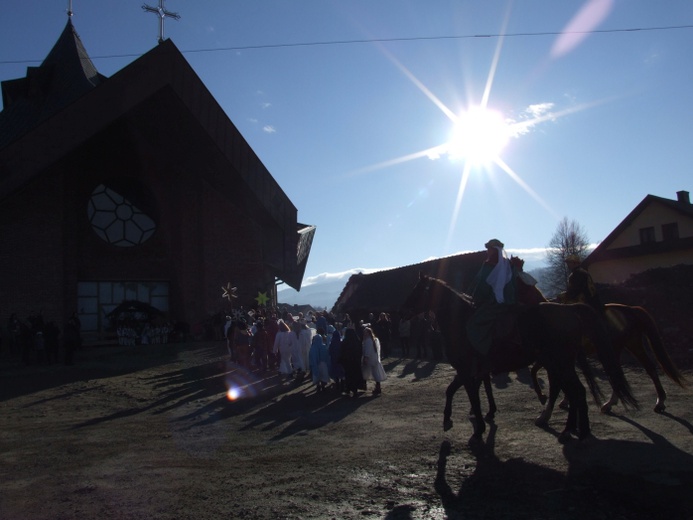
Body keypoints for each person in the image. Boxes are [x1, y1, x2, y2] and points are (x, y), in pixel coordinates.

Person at [466, 238, 517, 356]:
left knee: (473, 324)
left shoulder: (489, 265)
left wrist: (475, 298)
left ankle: (483, 352)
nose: (487, 251)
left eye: (488, 249)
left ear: (493, 250)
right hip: (511, 301)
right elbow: (514, 283)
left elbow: (482, 286)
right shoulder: (509, 265)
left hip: (493, 303)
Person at [361, 327, 387, 396]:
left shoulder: (368, 341)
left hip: (370, 359)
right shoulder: (375, 339)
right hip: (374, 359)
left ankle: (367, 386)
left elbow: (367, 350)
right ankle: (376, 386)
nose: (364, 334)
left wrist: (366, 358)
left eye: (366, 333)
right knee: (374, 372)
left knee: (367, 372)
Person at [340, 327, 363, 397]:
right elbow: (360, 351)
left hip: (348, 362)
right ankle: (355, 390)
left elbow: (342, 352)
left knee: (349, 376)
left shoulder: (345, 342)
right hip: (356, 362)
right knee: (356, 375)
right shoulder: (357, 341)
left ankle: (348, 389)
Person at [309, 328, 331, 392]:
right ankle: (323, 386)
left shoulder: (313, 347)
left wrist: (311, 364)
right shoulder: (323, 346)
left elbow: (311, 357)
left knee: (317, 375)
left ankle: (318, 386)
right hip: (323, 363)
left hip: (316, 363)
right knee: (324, 375)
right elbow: (326, 355)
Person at [327, 326, 346, 393]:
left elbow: (329, 351)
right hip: (340, 360)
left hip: (334, 360)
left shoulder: (332, 343)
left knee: (336, 373)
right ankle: (343, 386)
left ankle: (337, 385)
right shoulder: (341, 342)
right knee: (342, 373)